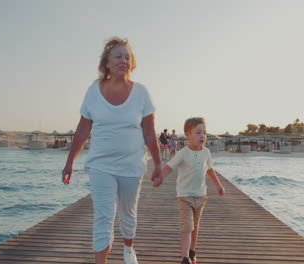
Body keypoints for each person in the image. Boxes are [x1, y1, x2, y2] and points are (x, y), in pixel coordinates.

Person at [61, 37, 162, 264]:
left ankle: (128, 249)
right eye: (118, 56)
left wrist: (157, 164)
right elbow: (81, 131)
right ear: (106, 63)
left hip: (132, 165)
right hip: (100, 166)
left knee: (128, 214)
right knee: (103, 217)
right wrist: (69, 163)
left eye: (127, 57)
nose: (123, 60)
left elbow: (149, 133)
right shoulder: (93, 92)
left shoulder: (141, 93)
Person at [153, 117, 225, 264]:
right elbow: (168, 167)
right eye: (198, 133)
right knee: (186, 227)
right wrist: (160, 177)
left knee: (195, 227)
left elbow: (209, 170)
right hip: (184, 197)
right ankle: (185, 257)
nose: (203, 136)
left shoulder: (206, 152)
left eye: (204, 133)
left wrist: (218, 185)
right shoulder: (183, 153)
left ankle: (192, 252)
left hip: (201, 196)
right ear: (188, 135)